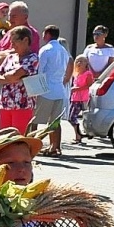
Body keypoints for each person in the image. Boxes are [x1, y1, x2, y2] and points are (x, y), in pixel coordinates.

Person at [33, 24, 71, 155]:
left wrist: (36, 90)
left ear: (48, 34)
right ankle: (55, 147)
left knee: (35, 120)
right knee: (55, 122)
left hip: (46, 89)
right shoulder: (63, 50)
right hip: (59, 89)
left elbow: (40, 70)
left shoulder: (45, 50)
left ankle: (33, 145)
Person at [0, 25, 38, 134]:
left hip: (22, 105)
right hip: (5, 103)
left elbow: (15, 74)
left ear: (26, 40)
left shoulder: (33, 58)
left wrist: (8, 77)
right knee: (4, 137)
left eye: (14, 41)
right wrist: (11, 78)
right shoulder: (10, 58)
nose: (12, 45)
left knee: (18, 137)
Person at [67, 54, 95, 142]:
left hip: (81, 99)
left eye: (81, 61)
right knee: (70, 117)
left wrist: (76, 89)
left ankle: (78, 135)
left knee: (72, 117)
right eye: (77, 61)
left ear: (86, 63)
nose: (79, 63)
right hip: (74, 98)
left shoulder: (88, 73)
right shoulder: (77, 74)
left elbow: (89, 85)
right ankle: (79, 135)